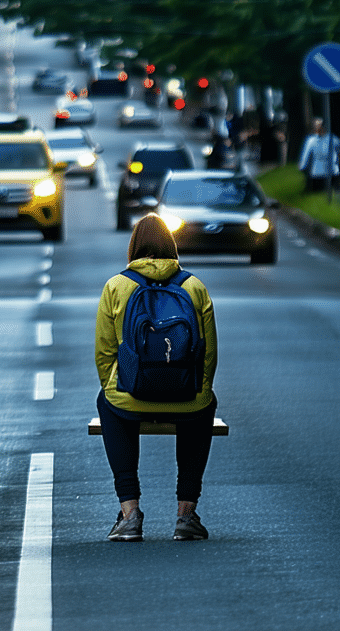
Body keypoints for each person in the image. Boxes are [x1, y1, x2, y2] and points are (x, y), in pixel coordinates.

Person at [95, 214, 218, 542]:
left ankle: (129, 514)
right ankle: (186, 516)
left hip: (130, 399)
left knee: (107, 402)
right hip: (187, 398)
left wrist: (118, 387)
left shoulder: (116, 286)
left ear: (133, 247)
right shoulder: (194, 287)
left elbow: (104, 352)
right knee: (205, 404)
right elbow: (208, 352)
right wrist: (200, 389)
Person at [298, 118, 340, 192]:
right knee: (320, 191)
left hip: (331, 172)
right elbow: (305, 155)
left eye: (318, 126)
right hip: (318, 173)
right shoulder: (311, 140)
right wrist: (302, 166)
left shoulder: (333, 139)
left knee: (329, 190)